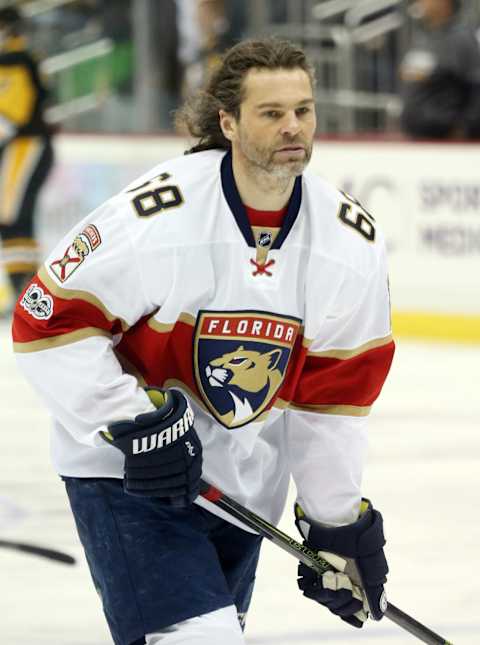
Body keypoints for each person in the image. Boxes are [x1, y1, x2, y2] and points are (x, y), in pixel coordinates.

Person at [12, 38, 395, 645]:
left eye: (304, 109)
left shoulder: (349, 244)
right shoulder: (156, 218)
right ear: (228, 122)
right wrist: (133, 421)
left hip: (242, 484)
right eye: (271, 113)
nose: (293, 126)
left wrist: (335, 522)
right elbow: (45, 322)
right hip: (129, 477)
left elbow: (333, 402)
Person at [0, 6, 54, 314]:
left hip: (25, 145)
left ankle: (22, 288)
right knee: (18, 218)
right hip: (25, 145)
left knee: (13, 217)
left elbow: (11, 116)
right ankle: (28, 292)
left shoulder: (15, 60)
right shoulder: (23, 58)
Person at [400, 0, 480, 139]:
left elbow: (476, 86)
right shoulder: (422, 37)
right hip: (417, 137)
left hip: (446, 141)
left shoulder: (461, 39)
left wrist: (466, 128)